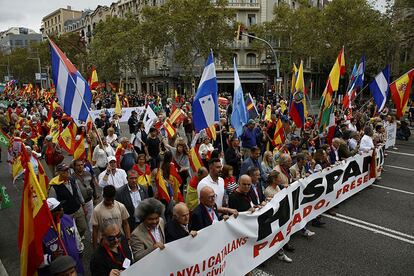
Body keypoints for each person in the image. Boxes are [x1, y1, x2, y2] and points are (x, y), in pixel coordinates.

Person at [39, 198, 84, 276]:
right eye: (58, 209)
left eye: (61, 206)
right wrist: (50, 258)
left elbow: (76, 235)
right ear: (49, 213)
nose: (62, 209)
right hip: (60, 271)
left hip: (76, 265)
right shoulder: (40, 232)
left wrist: (80, 249)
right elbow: (35, 260)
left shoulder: (68, 218)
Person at [48, 163, 87, 238]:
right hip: (66, 214)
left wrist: (83, 205)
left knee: (83, 228)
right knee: (69, 232)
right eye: (64, 171)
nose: (67, 172)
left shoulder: (72, 180)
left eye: (67, 170)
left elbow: (78, 192)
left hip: (78, 209)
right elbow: (52, 203)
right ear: (58, 173)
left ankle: (78, 238)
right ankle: (73, 241)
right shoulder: (54, 187)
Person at [71, 159, 97, 235]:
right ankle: (81, 235)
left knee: (90, 219)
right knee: (81, 221)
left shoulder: (88, 174)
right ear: (74, 167)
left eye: (81, 165)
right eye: (78, 165)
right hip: (79, 204)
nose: (80, 167)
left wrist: (95, 196)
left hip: (89, 201)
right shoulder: (72, 178)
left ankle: (92, 235)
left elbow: (92, 185)